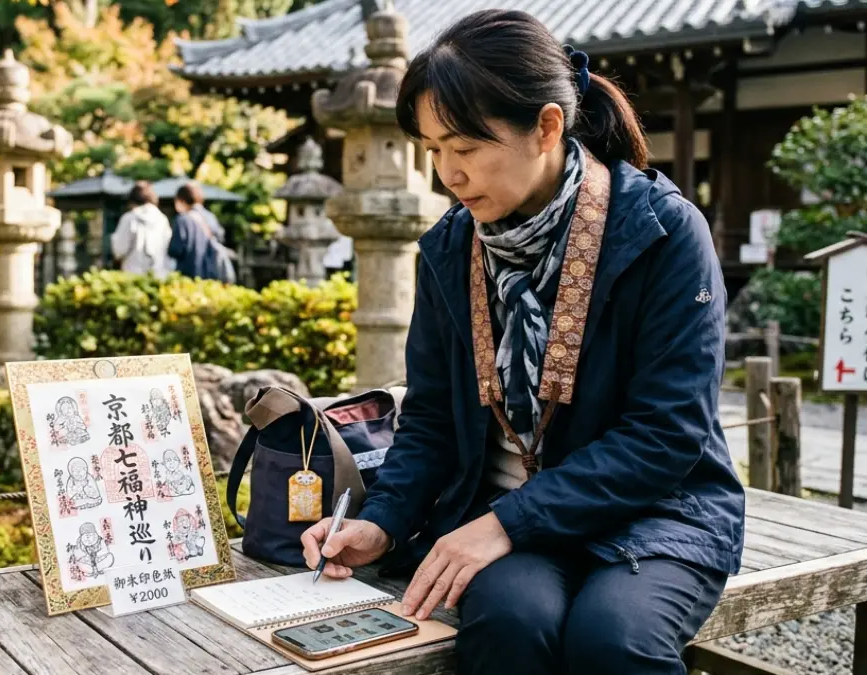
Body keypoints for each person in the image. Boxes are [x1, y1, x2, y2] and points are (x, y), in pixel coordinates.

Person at [298, 10, 745, 675]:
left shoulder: (665, 232)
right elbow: (429, 423)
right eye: (433, 150)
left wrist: (504, 523)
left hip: (656, 514)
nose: (448, 172)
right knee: (511, 623)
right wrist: (383, 523)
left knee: (613, 640)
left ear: (547, 126)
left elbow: (666, 435)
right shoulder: (449, 248)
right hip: (506, 519)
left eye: (466, 146)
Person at [168, 183, 231, 281]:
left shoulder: (183, 220)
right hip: (211, 275)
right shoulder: (211, 217)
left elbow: (175, 249)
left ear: (182, 200)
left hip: (189, 276)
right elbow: (220, 239)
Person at [110, 181, 173, 278]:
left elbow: (119, 250)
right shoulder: (162, 219)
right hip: (159, 275)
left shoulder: (129, 218)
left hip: (133, 275)